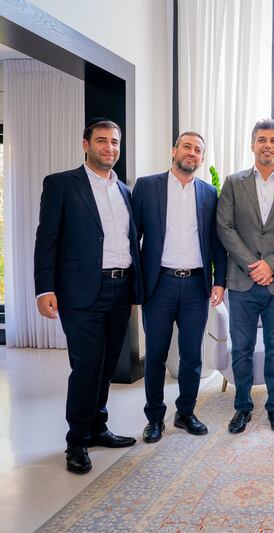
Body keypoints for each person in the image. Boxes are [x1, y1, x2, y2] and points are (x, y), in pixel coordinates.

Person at [34, 118, 143, 474]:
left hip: (119, 288)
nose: (109, 148)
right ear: (86, 144)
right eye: (102, 141)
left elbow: (129, 244)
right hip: (80, 292)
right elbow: (46, 240)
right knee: (86, 366)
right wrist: (44, 288)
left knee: (108, 366)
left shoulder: (125, 191)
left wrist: (131, 289)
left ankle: (98, 428)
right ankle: (76, 441)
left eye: (114, 142)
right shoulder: (62, 185)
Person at [131, 131, 227, 443]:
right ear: (174, 150)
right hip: (160, 285)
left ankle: (186, 413)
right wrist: (136, 283)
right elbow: (133, 239)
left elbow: (216, 243)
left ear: (201, 158)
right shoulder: (147, 187)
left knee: (191, 356)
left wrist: (220, 281)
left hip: (196, 286)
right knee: (156, 354)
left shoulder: (209, 193)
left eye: (198, 150)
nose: (192, 153)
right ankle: (155, 418)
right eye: (187, 147)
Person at [216, 119, 274, 434]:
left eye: (273, 140)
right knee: (241, 347)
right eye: (262, 140)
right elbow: (224, 227)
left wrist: (271, 265)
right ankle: (242, 407)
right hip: (241, 282)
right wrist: (254, 264)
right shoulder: (233, 183)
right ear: (252, 145)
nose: (268, 145)